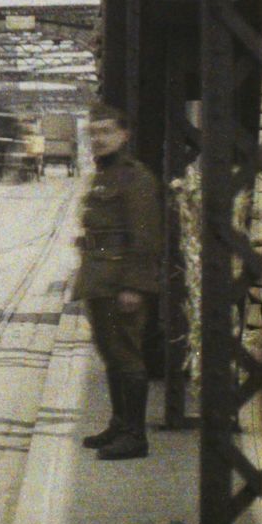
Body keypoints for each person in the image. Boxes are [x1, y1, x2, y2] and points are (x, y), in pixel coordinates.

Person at [73, 103, 163, 460]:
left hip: (119, 282)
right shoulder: (104, 175)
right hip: (99, 279)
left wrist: (135, 286)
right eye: (94, 132)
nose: (99, 139)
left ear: (125, 135)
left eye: (107, 131)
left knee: (126, 354)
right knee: (111, 353)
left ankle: (134, 436)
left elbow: (146, 236)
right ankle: (119, 422)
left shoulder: (134, 177)